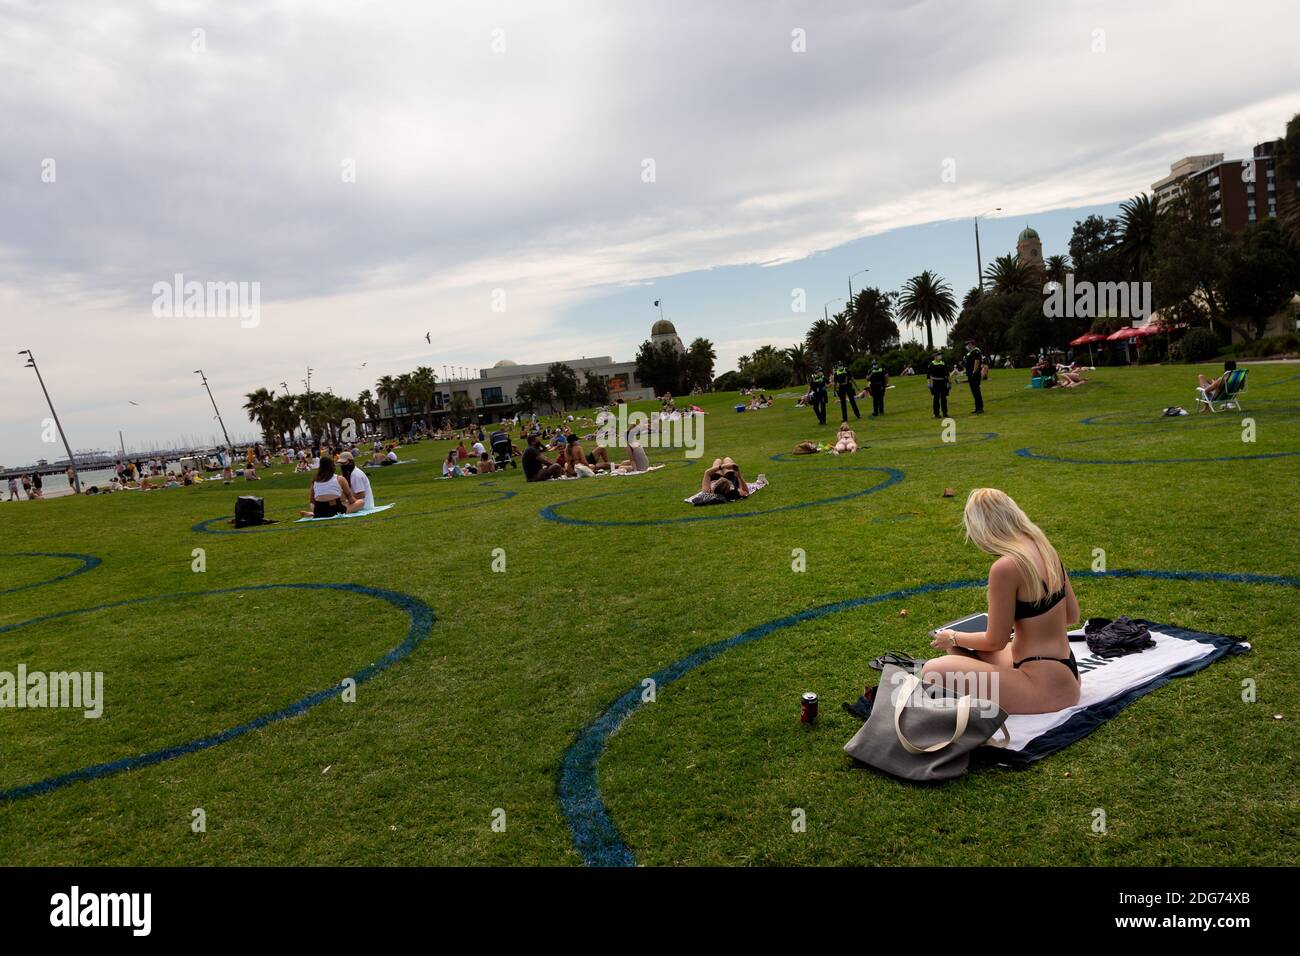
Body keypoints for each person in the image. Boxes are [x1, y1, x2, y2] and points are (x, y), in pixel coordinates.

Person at [922, 489, 1082, 715]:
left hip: (1045, 688)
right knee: (967, 651)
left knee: (933, 671)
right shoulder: (1045, 549)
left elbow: (995, 640)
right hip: (1067, 675)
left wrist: (952, 636)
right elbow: (1071, 616)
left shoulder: (1006, 567)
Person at [964, 338, 985, 414]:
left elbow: (977, 361)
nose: (967, 346)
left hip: (974, 373)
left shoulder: (976, 351)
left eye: (968, 344)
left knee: (976, 391)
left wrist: (974, 371)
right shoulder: (970, 352)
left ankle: (980, 408)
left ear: (972, 344)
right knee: (974, 391)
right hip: (970, 373)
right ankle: (977, 408)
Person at [926, 351, 950, 419]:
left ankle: (945, 413)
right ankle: (936, 414)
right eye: (938, 355)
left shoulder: (943, 363)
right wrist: (929, 383)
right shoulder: (931, 364)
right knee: (936, 398)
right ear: (935, 357)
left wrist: (949, 383)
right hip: (935, 382)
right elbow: (928, 375)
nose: (940, 356)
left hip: (943, 382)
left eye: (940, 355)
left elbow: (947, 374)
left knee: (944, 398)